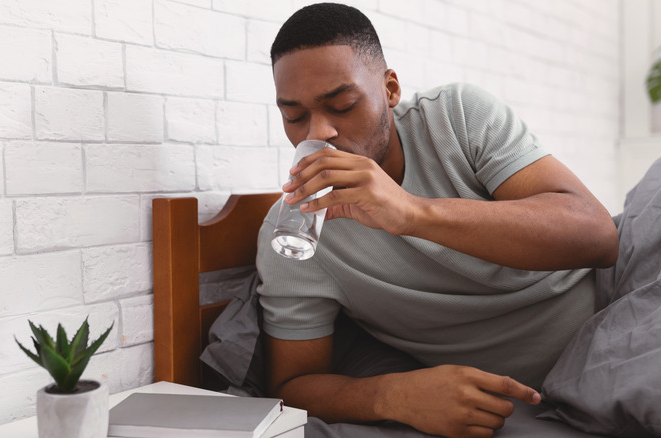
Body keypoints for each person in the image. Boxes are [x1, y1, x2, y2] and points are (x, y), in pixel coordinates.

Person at [254, 3, 619, 437]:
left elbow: (598, 236)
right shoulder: (294, 235)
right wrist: (391, 395)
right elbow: (293, 386)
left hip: (617, 316)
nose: (318, 133)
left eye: (343, 105)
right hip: (527, 398)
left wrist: (411, 212)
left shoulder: (456, 117)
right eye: (294, 116)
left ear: (390, 89)